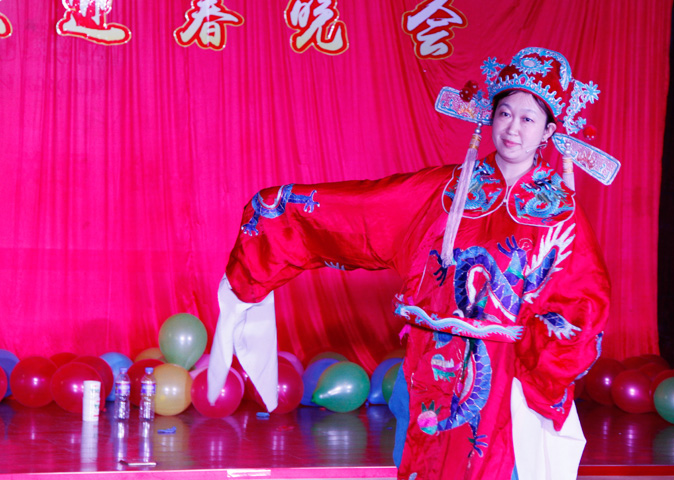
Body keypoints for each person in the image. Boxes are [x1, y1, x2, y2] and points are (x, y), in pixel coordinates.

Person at [207, 47, 612, 480]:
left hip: (507, 377)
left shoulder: (559, 211)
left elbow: (584, 299)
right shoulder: (444, 191)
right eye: (505, 114)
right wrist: (281, 208)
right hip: (429, 366)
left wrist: (538, 360)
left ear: (548, 130)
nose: (513, 128)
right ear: (490, 117)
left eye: (528, 119)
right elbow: (365, 210)